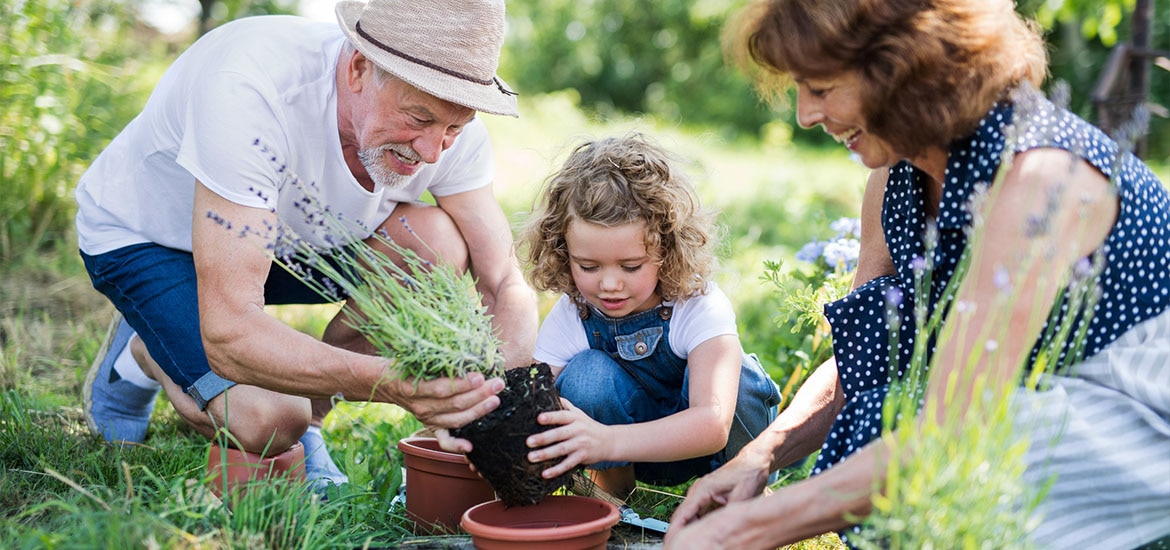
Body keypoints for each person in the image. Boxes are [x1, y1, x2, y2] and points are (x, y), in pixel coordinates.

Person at [665, 0, 1170, 548]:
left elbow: (951, 431)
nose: (805, 115)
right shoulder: (895, 174)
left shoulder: (1039, 179)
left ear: (904, 70)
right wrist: (758, 457)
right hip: (1017, 408)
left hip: (1129, 413)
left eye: (821, 88)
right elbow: (866, 358)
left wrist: (746, 530)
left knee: (971, 482)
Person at [76, 0, 537, 493]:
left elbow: (505, 282)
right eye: (418, 119)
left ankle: (311, 422)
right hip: (147, 239)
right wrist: (392, 381)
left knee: (437, 242)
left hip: (280, 245)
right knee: (269, 418)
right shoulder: (251, 88)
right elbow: (232, 332)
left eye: (452, 129)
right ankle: (146, 350)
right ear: (360, 68)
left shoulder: (445, 124)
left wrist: (500, 405)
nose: (431, 151)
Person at [513, 133, 780, 499]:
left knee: (740, 377)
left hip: (712, 446)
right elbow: (532, 403)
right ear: (564, 251)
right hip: (632, 453)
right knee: (585, 376)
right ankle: (613, 496)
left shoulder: (697, 303)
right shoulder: (573, 314)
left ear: (666, 250)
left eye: (631, 266)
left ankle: (740, 491)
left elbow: (713, 423)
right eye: (588, 266)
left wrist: (606, 441)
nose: (609, 284)